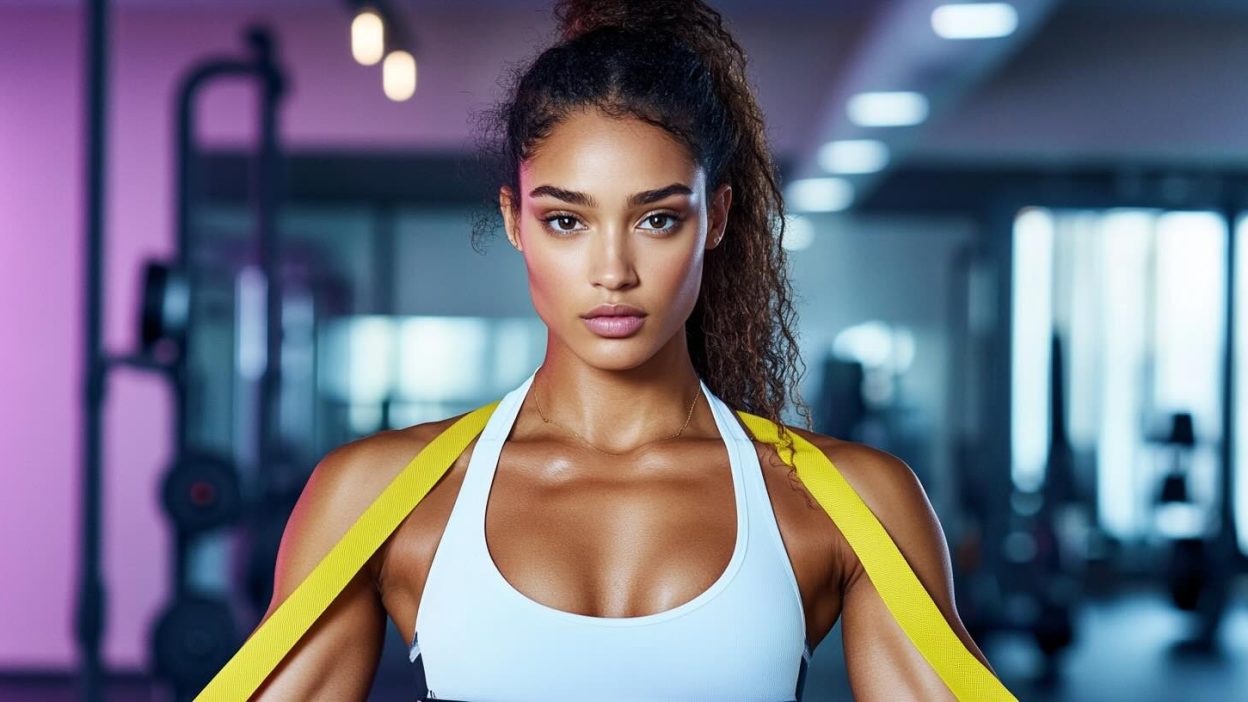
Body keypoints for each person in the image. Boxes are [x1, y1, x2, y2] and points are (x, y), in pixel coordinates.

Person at [250, 1, 998, 699]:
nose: (613, 271)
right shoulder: (378, 496)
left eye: (658, 219)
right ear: (516, 220)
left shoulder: (849, 501)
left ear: (716, 217)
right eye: (567, 221)